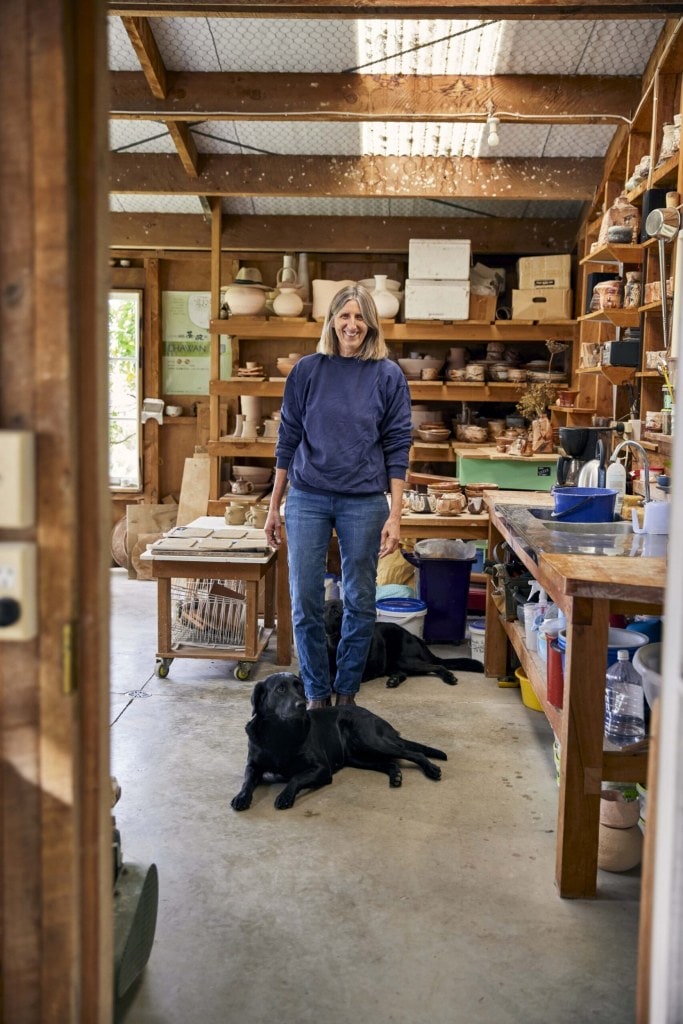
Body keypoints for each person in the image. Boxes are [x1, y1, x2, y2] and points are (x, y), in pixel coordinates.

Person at [264, 284, 413, 710]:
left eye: (359, 317)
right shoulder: (307, 371)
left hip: (364, 501)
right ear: (331, 321)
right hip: (307, 496)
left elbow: (398, 445)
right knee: (306, 599)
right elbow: (287, 439)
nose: (351, 324)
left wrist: (395, 514)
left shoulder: (388, 375)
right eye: (344, 316)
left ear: (370, 324)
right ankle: (316, 693)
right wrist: (274, 506)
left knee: (361, 600)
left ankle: (346, 693)